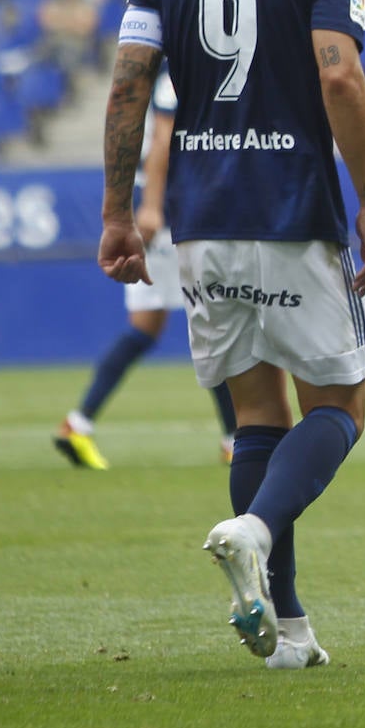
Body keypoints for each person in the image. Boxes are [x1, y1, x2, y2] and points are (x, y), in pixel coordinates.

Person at [98, 0, 365, 670]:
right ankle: (256, 527)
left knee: (256, 416)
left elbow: (128, 83)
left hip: (205, 216)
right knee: (340, 407)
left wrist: (116, 209)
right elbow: (338, 76)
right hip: (292, 208)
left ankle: (288, 632)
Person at [55, 68, 236, 470]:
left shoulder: (162, 73)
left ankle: (78, 422)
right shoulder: (175, 75)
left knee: (148, 326)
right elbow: (163, 140)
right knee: (214, 319)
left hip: (161, 207)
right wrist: (153, 207)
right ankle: (233, 440)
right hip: (173, 214)